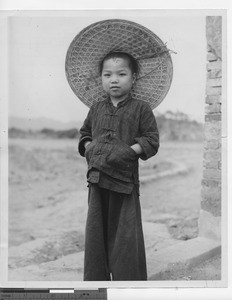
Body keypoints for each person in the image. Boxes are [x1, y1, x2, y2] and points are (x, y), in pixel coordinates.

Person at [78, 51, 159, 281]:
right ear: (101, 78)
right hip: (96, 180)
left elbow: (151, 140)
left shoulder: (141, 108)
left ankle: (129, 288)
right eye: (108, 74)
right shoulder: (96, 108)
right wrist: (90, 147)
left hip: (125, 182)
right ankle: (96, 286)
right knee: (95, 235)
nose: (114, 79)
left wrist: (126, 152)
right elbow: (84, 134)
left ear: (133, 78)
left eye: (121, 74)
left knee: (125, 238)